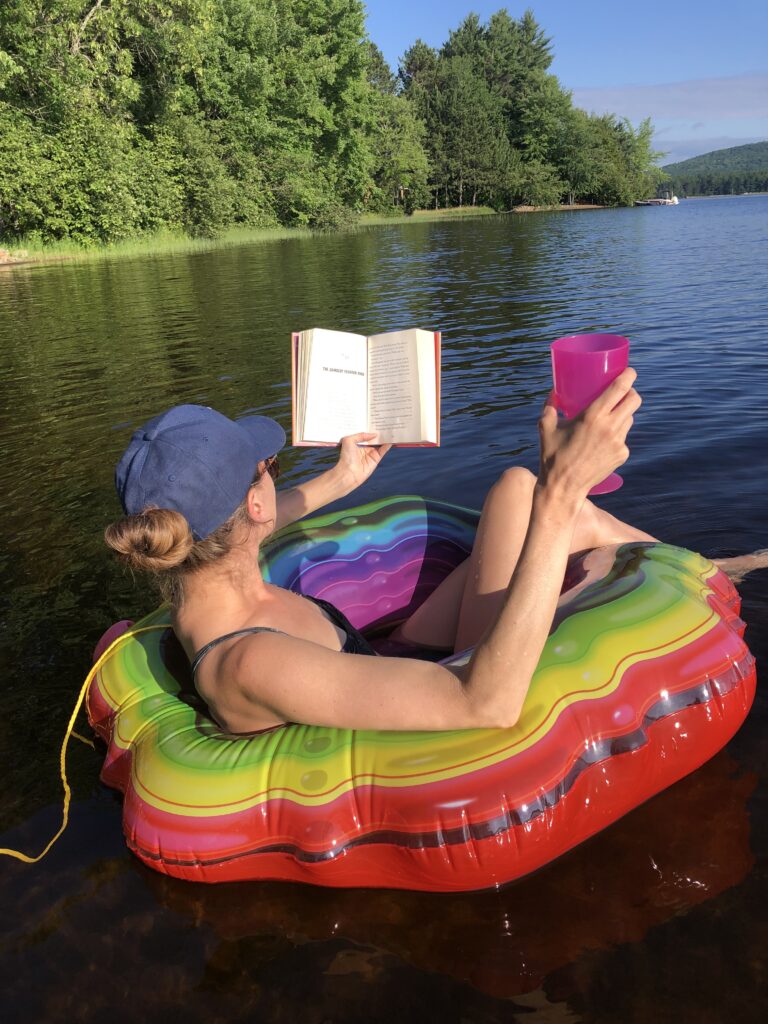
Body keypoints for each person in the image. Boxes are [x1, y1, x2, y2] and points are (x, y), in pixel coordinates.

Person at [105, 370, 765, 734]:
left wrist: (342, 478)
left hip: (387, 658)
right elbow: (485, 705)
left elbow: (259, 524)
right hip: (458, 680)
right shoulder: (250, 660)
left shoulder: (213, 574)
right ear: (251, 505)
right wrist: (563, 489)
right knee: (538, 501)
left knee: (513, 491)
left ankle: (693, 564)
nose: (277, 475)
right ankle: (702, 572)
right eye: (267, 465)